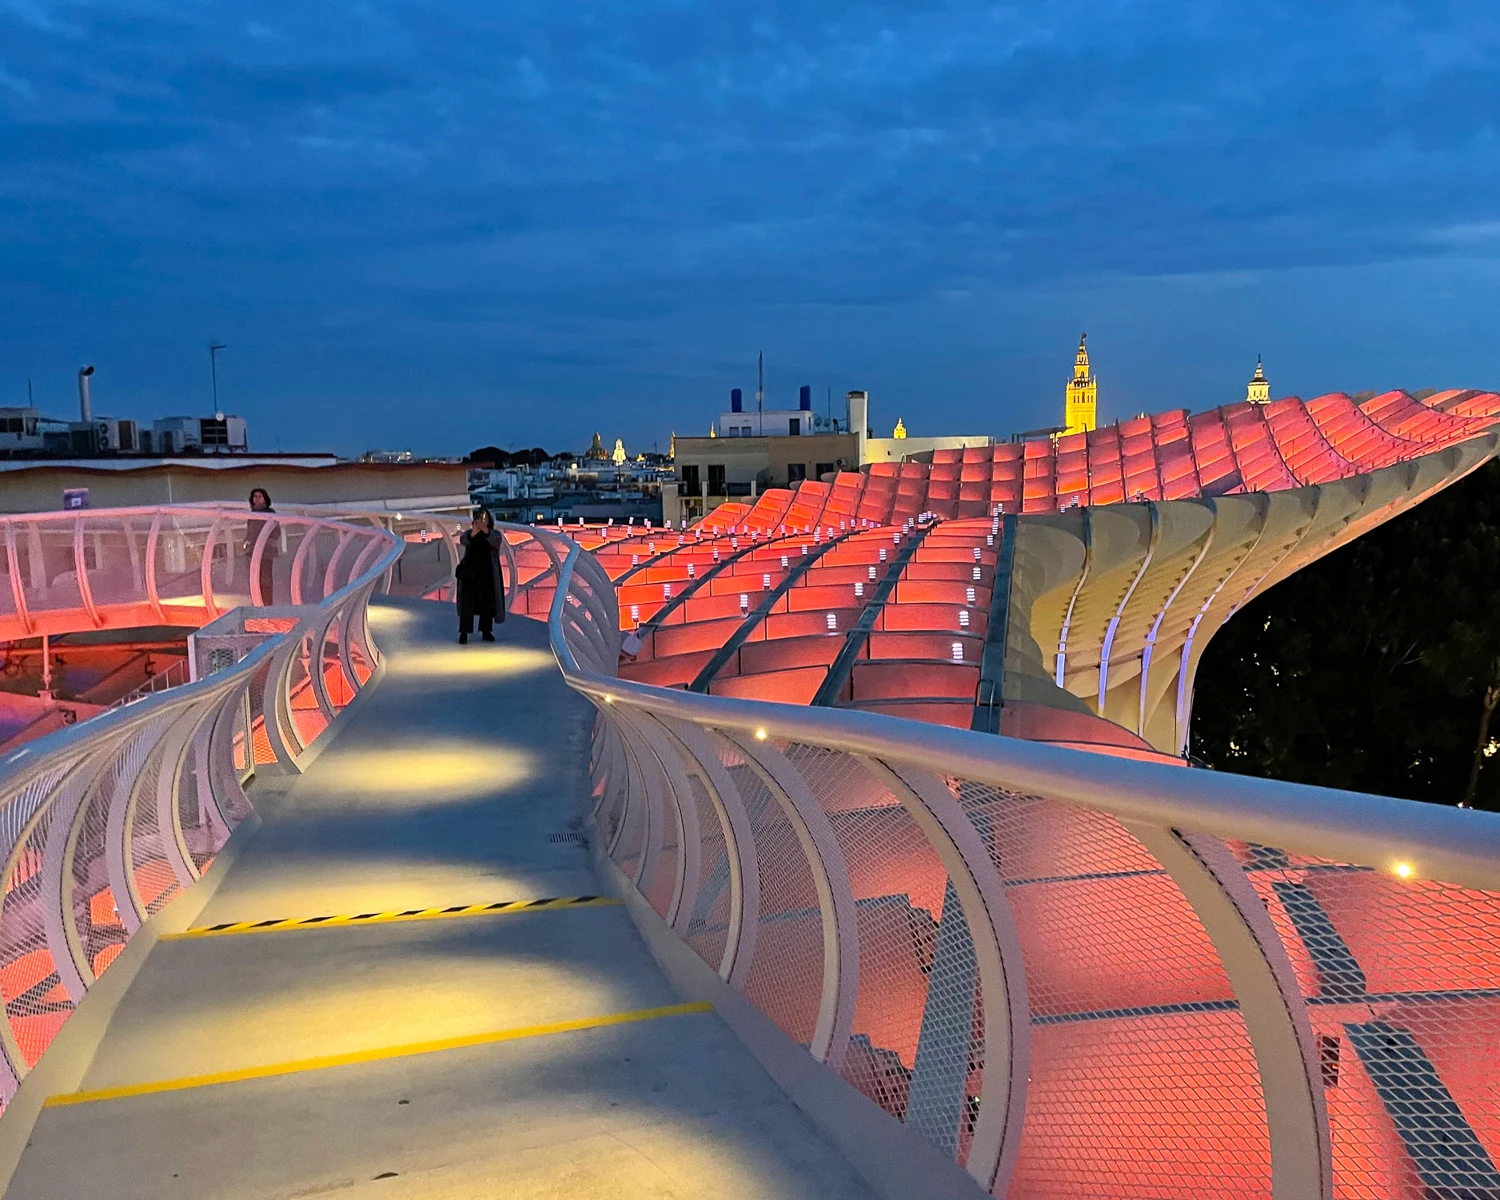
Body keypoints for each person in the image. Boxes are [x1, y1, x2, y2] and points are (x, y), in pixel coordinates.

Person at [455, 509, 505, 643]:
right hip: (470, 574)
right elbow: (463, 540)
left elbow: (496, 541)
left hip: (487, 573)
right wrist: (474, 532)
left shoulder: (494, 534)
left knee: (488, 603)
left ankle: (486, 630)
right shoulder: (470, 534)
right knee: (467, 604)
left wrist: (486, 531)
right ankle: (464, 632)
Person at [243, 488, 278, 605]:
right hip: (253, 552)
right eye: (255, 497)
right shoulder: (252, 514)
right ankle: (257, 603)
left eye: (259, 496)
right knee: (254, 579)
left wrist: (265, 543)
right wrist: (247, 543)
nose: (257, 499)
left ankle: (267, 605)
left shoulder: (270, 513)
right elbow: (250, 533)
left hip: (266, 553)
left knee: (265, 579)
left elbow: (275, 531)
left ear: (265, 498)